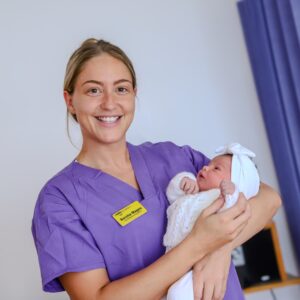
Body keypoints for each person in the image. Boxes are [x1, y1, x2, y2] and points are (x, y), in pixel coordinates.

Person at [31, 38, 281, 300]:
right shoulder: (58, 200)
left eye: (121, 89)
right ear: (70, 101)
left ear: (134, 94)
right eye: (93, 90)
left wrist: (220, 247)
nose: (109, 103)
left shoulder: (172, 156)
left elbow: (268, 198)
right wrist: (200, 244)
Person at [163, 143, 260, 300]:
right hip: (173, 257)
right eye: (209, 165)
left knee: (177, 294)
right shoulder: (193, 194)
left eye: (216, 168)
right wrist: (183, 183)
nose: (206, 168)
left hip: (198, 264)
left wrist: (231, 193)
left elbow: (232, 210)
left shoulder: (219, 198)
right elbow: (172, 196)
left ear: (234, 183)